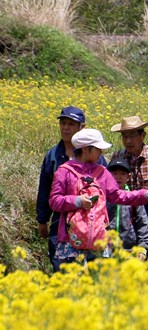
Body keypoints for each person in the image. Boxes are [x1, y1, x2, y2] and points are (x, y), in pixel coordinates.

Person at [49, 129, 148, 271]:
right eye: (98, 149)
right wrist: (77, 201)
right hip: (70, 241)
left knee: (99, 285)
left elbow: (119, 196)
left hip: (99, 241)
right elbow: (54, 201)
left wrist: (145, 194)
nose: (101, 153)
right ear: (85, 149)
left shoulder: (103, 172)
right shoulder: (64, 171)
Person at [110, 115, 148, 256]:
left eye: (132, 136)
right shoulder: (118, 157)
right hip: (126, 216)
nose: (128, 141)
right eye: (124, 137)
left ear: (143, 135)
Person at [37, 106, 89, 267]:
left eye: (71, 124)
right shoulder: (52, 155)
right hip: (59, 222)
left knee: (86, 271)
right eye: (63, 123)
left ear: (82, 127)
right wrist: (42, 219)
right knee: (59, 267)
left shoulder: (91, 154)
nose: (65, 128)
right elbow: (45, 189)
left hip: (87, 222)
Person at [106, 158, 148, 261]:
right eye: (114, 173)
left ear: (128, 177)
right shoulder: (103, 197)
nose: (118, 177)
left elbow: (142, 224)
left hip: (129, 251)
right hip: (105, 251)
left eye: (122, 174)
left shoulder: (133, 198)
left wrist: (142, 248)